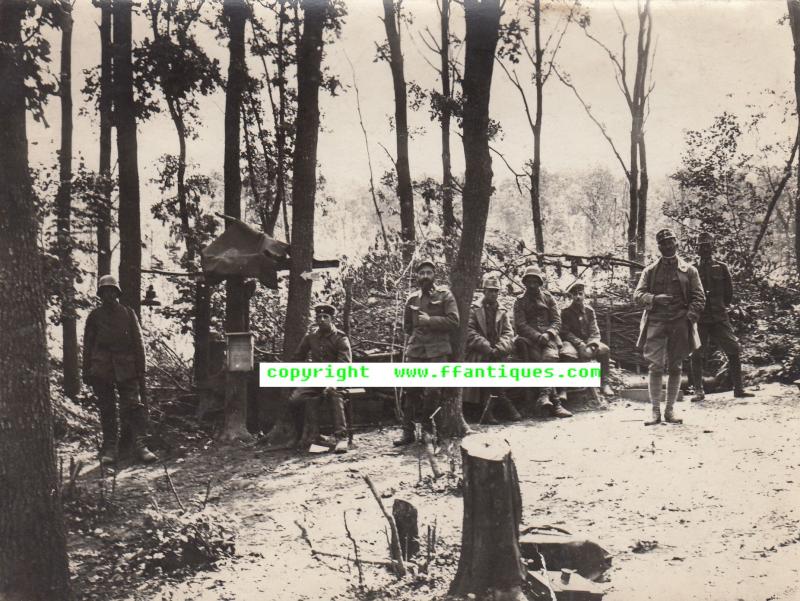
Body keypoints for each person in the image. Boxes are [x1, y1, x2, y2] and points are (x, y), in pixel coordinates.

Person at [82, 275, 157, 465]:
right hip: (102, 367)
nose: (109, 295)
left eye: (112, 291)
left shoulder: (128, 313)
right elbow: (88, 345)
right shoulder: (94, 316)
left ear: (117, 293)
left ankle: (140, 445)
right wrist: (87, 370)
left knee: (133, 406)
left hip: (127, 367)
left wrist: (141, 368)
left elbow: (138, 342)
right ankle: (109, 448)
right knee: (107, 408)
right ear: (100, 294)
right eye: (105, 291)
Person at [633, 229, 705, 425]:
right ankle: (655, 411)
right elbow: (637, 295)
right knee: (655, 366)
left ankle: (670, 411)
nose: (668, 246)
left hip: (680, 323)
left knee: (676, 366)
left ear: (676, 244)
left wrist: (688, 317)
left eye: (670, 242)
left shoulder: (689, 271)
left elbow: (699, 298)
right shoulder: (650, 271)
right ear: (659, 247)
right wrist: (655, 299)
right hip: (656, 322)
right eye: (663, 243)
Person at [394, 259, 459, 446]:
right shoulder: (412, 299)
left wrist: (430, 320)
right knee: (410, 390)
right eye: (421, 273)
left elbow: (454, 322)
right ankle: (407, 433)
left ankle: (428, 430)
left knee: (433, 391)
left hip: (437, 351)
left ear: (434, 275)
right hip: (416, 351)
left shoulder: (445, 295)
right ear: (417, 276)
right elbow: (407, 327)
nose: (425, 277)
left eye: (428, 273)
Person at [690, 232, 754, 401]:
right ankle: (698, 391)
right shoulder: (691, 269)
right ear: (697, 248)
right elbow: (688, 293)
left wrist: (720, 307)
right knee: (697, 354)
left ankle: (739, 389)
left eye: (708, 245)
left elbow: (729, 293)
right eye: (701, 246)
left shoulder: (721, 267)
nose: (705, 249)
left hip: (719, 317)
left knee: (733, 349)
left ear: (712, 247)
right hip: (701, 319)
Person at [289, 303, 352, 453]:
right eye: (319, 317)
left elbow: (344, 364)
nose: (322, 319)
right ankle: (306, 437)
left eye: (325, 317)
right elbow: (298, 357)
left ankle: (341, 438)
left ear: (332, 319)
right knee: (295, 399)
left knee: (334, 393)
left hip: (338, 378)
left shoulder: (340, 338)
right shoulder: (311, 337)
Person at [513, 265, 572, 418]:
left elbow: (557, 321)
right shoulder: (520, 301)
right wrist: (537, 336)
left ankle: (544, 397)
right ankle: (556, 404)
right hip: (530, 340)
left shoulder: (548, 298)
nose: (532, 285)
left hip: (549, 339)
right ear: (525, 282)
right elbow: (520, 324)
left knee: (550, 357)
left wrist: (548, 333)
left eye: (535, 281)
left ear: (540, 282)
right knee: (540, 360)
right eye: (529, 281)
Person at [464, 275, 521, 424]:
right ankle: (494, 408)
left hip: (497, 352)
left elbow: (508, 333)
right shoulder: (474, 309)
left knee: (496, 365)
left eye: (496, 291)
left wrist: (499, 348)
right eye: (490, 291)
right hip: (478, 351)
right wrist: (486, 347)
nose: (493, 294)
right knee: (486, 366)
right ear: (484, 291)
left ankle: (495, 408)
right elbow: (469, 332)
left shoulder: (502, 310)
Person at [560, 281, 615, 400]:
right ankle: (563, 389)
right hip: (571, 342)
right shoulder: (566, 312)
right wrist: (579, 343)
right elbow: (564, 332)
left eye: (580, 293)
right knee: (566, 354)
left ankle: (604, 383)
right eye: (575, 294)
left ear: (584, 294)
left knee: (605, 350)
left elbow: (595, 331)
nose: (578, 297)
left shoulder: (590, 311)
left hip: (588, 342)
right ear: (571, 297)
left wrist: (592, 344)